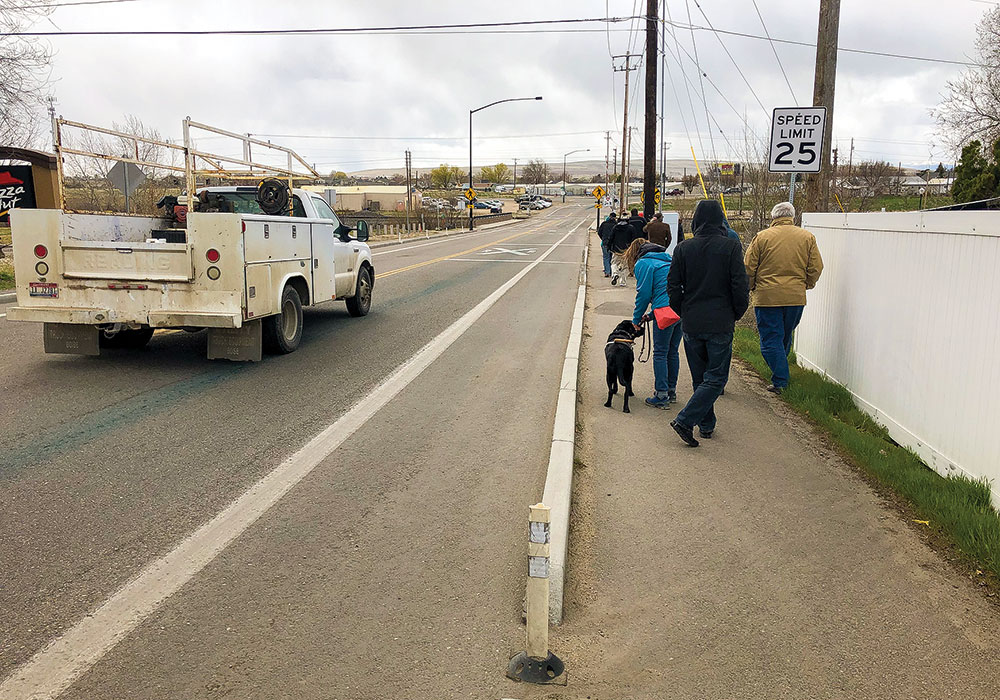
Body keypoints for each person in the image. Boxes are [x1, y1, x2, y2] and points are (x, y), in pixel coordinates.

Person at [666, 199, 749, 446]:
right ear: (720, 219)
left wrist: (683, 309)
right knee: (716, 378)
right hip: (720, 321)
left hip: (692, 321)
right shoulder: (731, 247)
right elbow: (740, 286)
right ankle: (685, 420)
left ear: (697, 220)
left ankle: (706, 425)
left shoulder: (683, 248)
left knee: (700, 377)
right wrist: (736, 312)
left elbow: (672, 287)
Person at [743, 201, 824, 394]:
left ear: (773, 217)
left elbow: (748, 267)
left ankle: (780, 380)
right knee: (785, 336)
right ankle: (781, 373)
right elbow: (816, 267)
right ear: (792, 217)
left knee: (770, 339)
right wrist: (807, 284)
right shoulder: (807, 237)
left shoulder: (762, 238)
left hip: (767, 296)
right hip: (795, 296)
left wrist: (752, 287)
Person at [622, 236, 682, 408]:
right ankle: (671, 391)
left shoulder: (644, 264)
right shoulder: (668, 260)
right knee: (672, 351)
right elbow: (665, 291)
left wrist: (636, 320)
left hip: (664, 311)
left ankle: (661, 395)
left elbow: (644, 295)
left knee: (660, 353)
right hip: (680, 309)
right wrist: (651, 315)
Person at [609, 216, 635, 286]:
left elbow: (611, 238)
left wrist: (609, 247)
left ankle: (615, 273)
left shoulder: (615, 227)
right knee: (625, 266)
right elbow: (633, 239)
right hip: (627, 250)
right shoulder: (631, 228)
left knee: (614, 263)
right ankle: (622, 281)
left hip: (616, 249)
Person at [597, 212, 618, 278]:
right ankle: (612, 271)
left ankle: (607, 272)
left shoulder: (604, 224)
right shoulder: (616, 225)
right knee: (612, 258)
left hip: (605, 242)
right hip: (613, 244)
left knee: (606, 257)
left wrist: (603, 238)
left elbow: (599, 232)